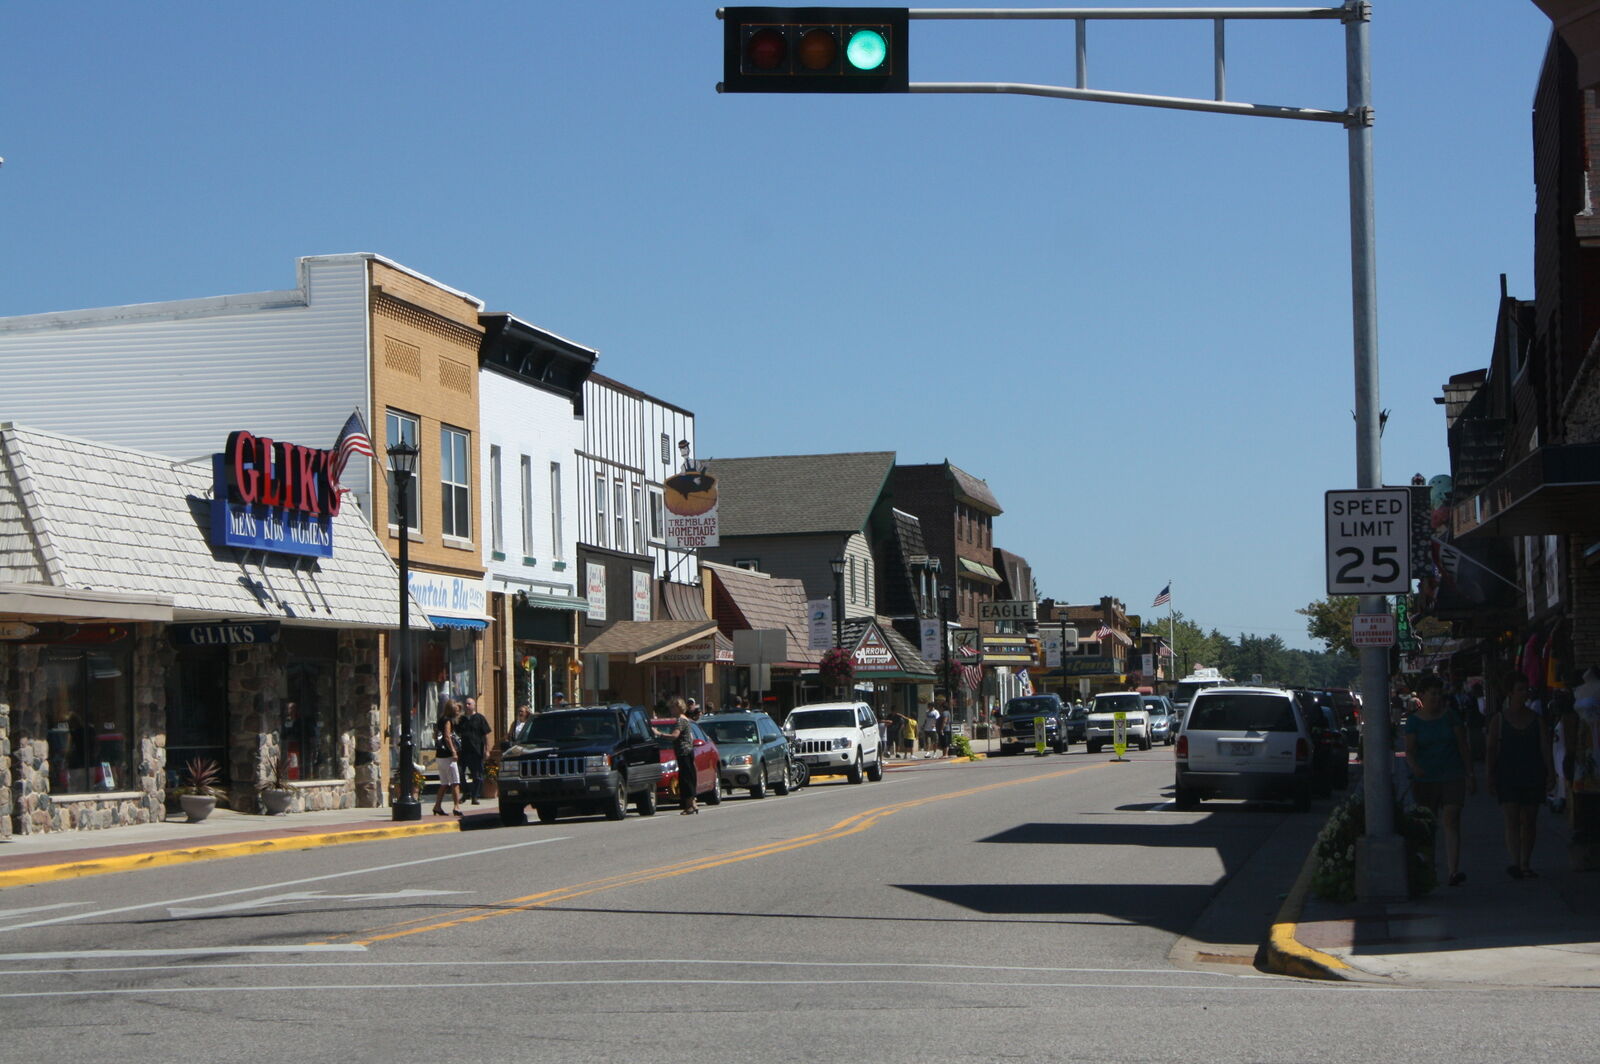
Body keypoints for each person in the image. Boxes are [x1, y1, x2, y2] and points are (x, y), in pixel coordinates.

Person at [1404, 673, 1474, 886]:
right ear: (1422, 696)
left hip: (1452, 774)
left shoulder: (1451, 716)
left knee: (1451, 818)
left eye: (1438, 693)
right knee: (1429, 824)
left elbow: (1463, 746)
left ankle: (1453, 870)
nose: (1436, 698)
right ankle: (1429, 869)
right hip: (1426, 779)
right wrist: (1415, 766)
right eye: (1432, 694)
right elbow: (1409, 751)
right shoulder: (1414, 722)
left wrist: (1470, 774)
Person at [1485, 673, 1555, 879]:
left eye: (1526, 690)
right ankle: (1516, 862)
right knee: (1512, 818)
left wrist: (1551, 773)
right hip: (1508, 773)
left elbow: (1545, 748)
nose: (1524, 694)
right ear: (1510, 693)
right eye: (1520, 690)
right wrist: (1489, 775)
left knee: (1530, 819)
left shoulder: (1536, 720)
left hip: (1532, 772)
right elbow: (1491, 749)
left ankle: (1526, 862)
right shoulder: (1499, 720)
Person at [456, 696, 491, 806]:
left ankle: (475, 796)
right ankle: (466, 792)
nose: (467, 706)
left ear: (474, 705)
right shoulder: (461, 719)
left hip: (476, 750)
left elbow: (485, 735)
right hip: (464, 751)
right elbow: (456, 733)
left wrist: (487, 750)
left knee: (477, 776)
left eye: (469, 704)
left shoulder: (480, 718)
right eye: (465, 704)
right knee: (460, 772)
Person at [432, 701, 463, 817]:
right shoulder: (448, 721)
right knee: (455, 781)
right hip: (448, 756)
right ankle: (456, 806)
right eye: (456, 710)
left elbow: (436, 735)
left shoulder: (440, 720)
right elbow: (447, 736)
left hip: (439, 755)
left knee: (444, 783)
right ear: (451, 710)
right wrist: (453, 751)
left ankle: (437, 806)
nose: (458, 712)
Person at [670, 696, 699, 814]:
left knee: (686, 779)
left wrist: (658, 733)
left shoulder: (681, 720)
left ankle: (690, 806)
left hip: (684, 752)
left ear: (678, 707)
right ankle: (693, 804)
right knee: (688, 778)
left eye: (672, 707)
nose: (671, 709)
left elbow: (674, 736)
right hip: (687, 752)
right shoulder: (685, 719)